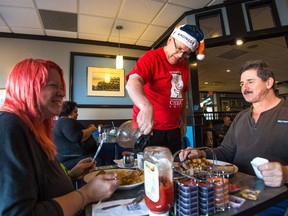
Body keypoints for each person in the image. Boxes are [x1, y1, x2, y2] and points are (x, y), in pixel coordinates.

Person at [0, 58, 119, 215]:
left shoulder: (34, 129)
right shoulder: (8, 125)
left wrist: (70, 175)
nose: (62, 93)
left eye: (61, 87)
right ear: (28, 86)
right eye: (53, 86)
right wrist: (87, 194)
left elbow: (39, 185)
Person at [179, 60, 288, 215]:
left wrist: (285, 172)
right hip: (235, 190)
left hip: (274, 197)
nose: (245, 88)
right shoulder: (241, 117)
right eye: (242, 83)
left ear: (269, 82)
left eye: (250, 82)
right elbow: (226, 151)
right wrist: (202, 154)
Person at [125, 24, 205, 154]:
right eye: (178, 48)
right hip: (149, 129)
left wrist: (183, 121)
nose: (180, 55)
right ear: (169, 39)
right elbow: (133, 82)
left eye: (186, 53)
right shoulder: (151, 57)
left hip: (173, 129)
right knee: (148, 170)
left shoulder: (184, 66)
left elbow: (181, 95)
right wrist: (146, 106)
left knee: (173, 168)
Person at [53, 100, 102, 169]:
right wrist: (92, 129)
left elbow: (76, 133)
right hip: (70, 159)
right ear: (68, 112)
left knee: (100, 156)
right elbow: (77, 137)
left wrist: (88, 129)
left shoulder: (62, 122)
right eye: (75, 112)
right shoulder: (66, 121)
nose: (77, 114)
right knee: (99, 160)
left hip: (73, 156)